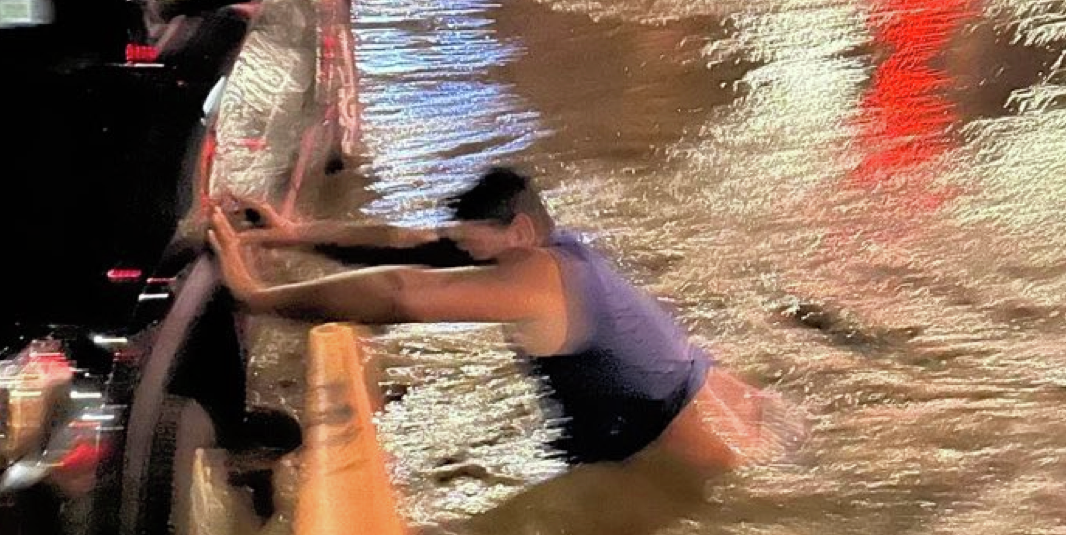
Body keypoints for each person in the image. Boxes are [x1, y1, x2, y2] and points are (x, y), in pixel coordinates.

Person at [206, 168, 790, 473]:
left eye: (471, 244)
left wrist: (258, 296)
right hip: (727, 405)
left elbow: (401, 293)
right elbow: (408, 247)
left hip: (701, 452)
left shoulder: (530, 277)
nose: (464, 255)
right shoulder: (551, 249)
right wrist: (293, 234)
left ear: (518, 234)